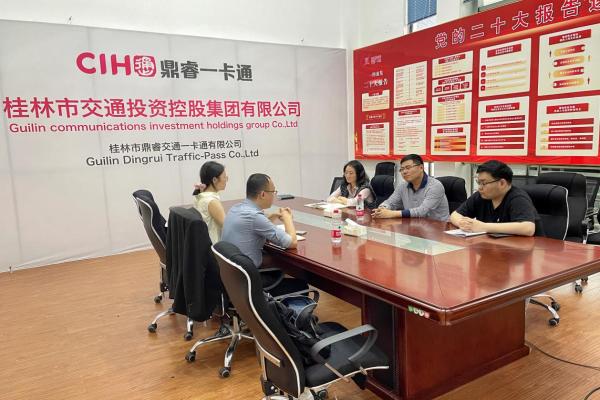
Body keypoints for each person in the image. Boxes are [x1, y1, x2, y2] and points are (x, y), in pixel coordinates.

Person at [222, 173, 297, 268]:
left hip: (231, 271)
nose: (274, 195)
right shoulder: (255, 217)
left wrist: (271, 217)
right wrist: (288, 218)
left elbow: (252, 227)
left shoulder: (235, 208)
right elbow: (292, 242)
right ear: (263, 194)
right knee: (291, 269)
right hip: (249, 273)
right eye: (273, 192)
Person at [449, 160, 541, 236]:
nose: (480, 187)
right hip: (493, 247)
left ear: (502, 183)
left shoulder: (518, 198)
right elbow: (454, 215)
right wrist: (462, 223)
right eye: (478, 183)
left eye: (484, 183)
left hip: (525, 249)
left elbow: (528, 228)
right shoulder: (481, 196)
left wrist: (483, 227)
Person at [371, 154, 449, 221]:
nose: (404, 172)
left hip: (438, 228)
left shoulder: (435, 186)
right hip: (414, 226)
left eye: (408, 168)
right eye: (402, 169)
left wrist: (392, 214)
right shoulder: (402, 186)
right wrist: (382, 209)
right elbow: (390, 202)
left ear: (421, 167)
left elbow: (422, 211)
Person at [193, 161, 228, 244]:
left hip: (204, 243)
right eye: (224, 177)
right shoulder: (212, 202)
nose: (226, 180)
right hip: (214, 246)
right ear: (214, 180)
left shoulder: (200, 195)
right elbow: (228, 227)